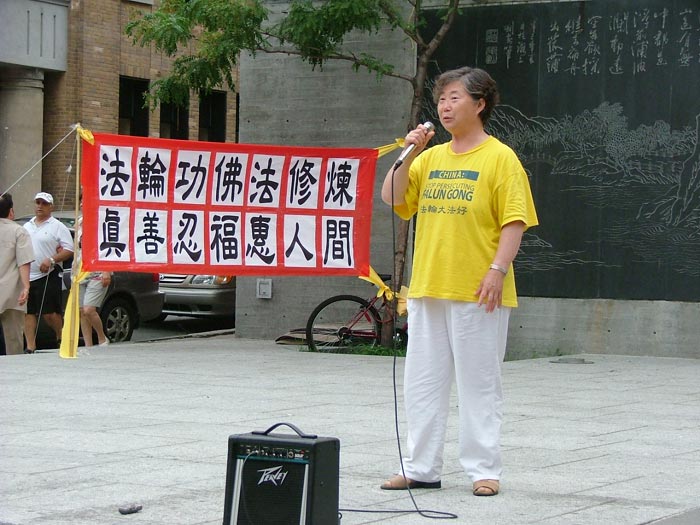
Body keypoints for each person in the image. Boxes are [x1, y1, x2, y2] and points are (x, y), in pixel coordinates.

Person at [379, 66, 538, 497]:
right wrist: (409, 151)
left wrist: (497, 270)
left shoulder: (500, 158)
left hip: (479, 290)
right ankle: (420, 468)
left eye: (455, 98)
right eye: (441, 99)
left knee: (479, 383)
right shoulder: (430, 158)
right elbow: (393, 197)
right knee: (422, 383)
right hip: (429, 287)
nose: (445, 107)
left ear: (480, 104)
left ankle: (484, 470)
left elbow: (515, 221)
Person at [23, 192, 74, 353]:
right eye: (38, 203)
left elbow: (69, 249)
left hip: (48, 274)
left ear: (51, 207)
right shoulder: (27, 226)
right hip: (27, 275)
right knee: (28, 312)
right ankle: (30, 346)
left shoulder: (57, 226)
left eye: (44, 203)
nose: (40, 206)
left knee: (49, 314)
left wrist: (52, 259)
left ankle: (60, 336)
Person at [0, 193, 35, 355]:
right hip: (12, 292)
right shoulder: (19, 231)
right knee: (13, 340)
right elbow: (24, 261)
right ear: (11, 211)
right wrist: (26, 287)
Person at [75, 195, 111, 347]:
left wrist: (106, 270)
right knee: (82, 310)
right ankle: (88, 345)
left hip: (97, 271)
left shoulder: (101, 221)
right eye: (81, 202)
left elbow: (107, 247)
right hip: (80, 270)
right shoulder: (79, 222)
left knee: (89, 309)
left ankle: (102, 338)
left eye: (86, 201)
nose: (82, 204)